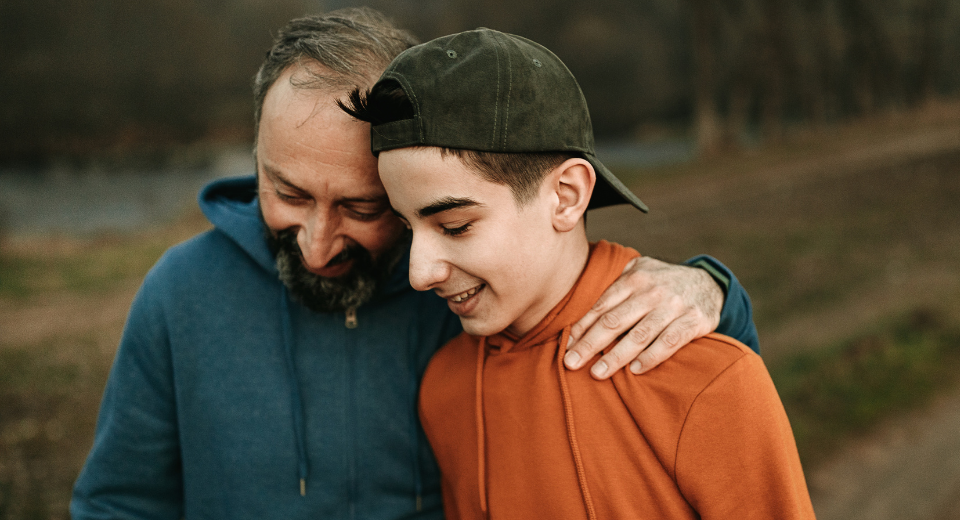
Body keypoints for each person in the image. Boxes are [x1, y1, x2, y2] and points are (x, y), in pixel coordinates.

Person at [70, 8, 761, 520]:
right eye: (286, 193)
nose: (316, 242)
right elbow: (118, 505)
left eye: (363, 210)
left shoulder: (463, 301)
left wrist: (713, 290)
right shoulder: (179, 295)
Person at [346, 28, 814, 519]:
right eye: (406, 226)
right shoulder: (444, 390)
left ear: (566, 196)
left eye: (455, 226)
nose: (419, 273)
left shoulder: (705, 379)